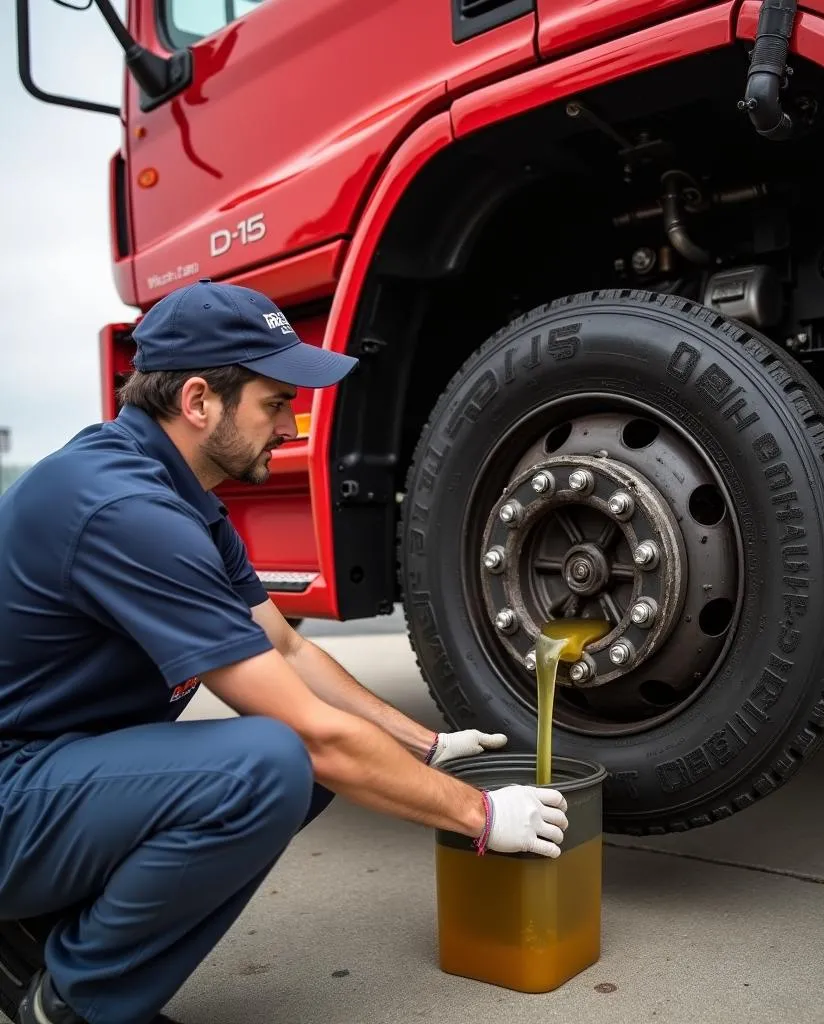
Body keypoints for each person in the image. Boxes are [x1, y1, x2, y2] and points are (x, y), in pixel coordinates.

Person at [0, 279, 569, 1024]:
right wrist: (481, 815)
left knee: (315, 762)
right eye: (275, 401)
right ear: (199, 401)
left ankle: (38, 935)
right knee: (270, 764)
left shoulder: (179, 499)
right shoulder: (126, 512)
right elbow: (307, 733)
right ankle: (75, 1004)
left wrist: (425, 745)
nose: (292, 422)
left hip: (44, 770)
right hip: (16, 791)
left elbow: (288, 650)